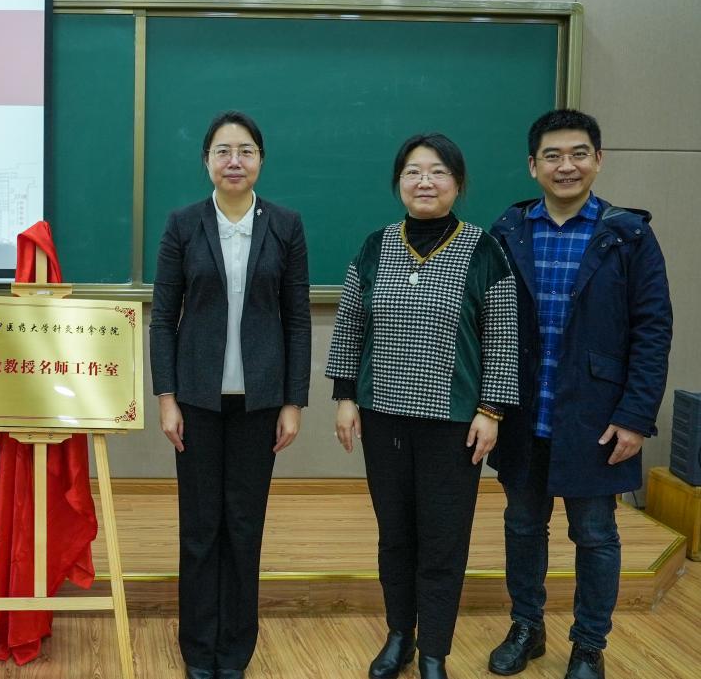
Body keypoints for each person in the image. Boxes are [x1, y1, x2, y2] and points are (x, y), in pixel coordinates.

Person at [486, 109, 672, 679]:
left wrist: (636, 415)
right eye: (552, 155)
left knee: (595, 534)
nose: (565, 166)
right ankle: (527, 626)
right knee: (522, 527)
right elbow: (487, 324)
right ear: (532, 165)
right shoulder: (507, 231)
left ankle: (589, 644)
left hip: (596, 417)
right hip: (523, 414)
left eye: (578, 154)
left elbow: (653, 329)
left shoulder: (628, 235)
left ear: (598, 159)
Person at [326, 133, 518, 679]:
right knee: (395, 535)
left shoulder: (484, 249)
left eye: (437, 172)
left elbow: (503, 335)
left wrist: (492, 409)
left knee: (443, 539)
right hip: (381, 414)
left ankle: (434, 649)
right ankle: (399, 636)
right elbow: (350, 325)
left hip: (454, 423)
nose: (424, 182)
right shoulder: (375, 246)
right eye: (413, 172)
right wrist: (345, 397)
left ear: (457, 183)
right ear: (399, 183)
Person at [150, 111, 311, 679]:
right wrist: (166, 397)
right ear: (207, 162)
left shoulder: (285, 225)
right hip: (196, 401)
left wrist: (293, 401)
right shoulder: (183, 223)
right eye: (223, 151)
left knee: (244, 527)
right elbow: (163, 317)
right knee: (199, 529)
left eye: (246, 151)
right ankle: (199, 649)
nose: (234, 161)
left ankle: (235, 650)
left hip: (260, 403)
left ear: (261, 159)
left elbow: (297, 319)